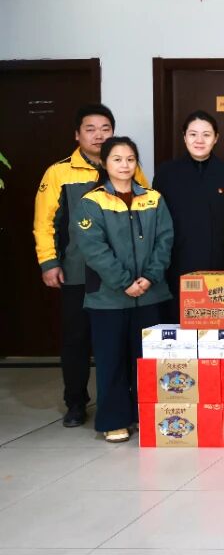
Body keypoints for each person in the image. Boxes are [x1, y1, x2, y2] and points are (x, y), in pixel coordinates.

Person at [33, 103, 146, 428]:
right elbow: (44, 222)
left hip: (122, 273)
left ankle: (128, 401)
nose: (98, 135)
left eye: (105, 129)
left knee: (122, 339)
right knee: (76, 339)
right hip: (78, 271)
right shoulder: (59, 172)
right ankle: (76, 402)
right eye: (90, 129)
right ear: (77, 134)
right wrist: (49, 262)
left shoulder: (127, 167)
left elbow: (145, 214)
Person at [71, 137, 174, 443]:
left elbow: (165, 240)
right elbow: (94, 250)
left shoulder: (153, 199)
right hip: (108, 298)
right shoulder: (91, 202)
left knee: (146, 360)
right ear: (104, 163)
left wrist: (150, 277)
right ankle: (114, 420)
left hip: (150, 294)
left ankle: (146, 415)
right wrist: (124, 281)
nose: (125, 165)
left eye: (130, 159)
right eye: (117, 159)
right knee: (111, 360)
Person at [152, 111, 224, 321]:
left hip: (221, 264)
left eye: (206, 134)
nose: (199, 140)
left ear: (216, 138)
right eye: (193, 134)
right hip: (178, 264)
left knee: (221, 326)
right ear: (184, 137)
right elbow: (156, 222)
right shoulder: (166, 173)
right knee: (180, 326)